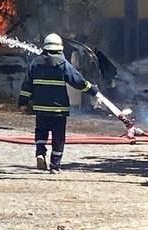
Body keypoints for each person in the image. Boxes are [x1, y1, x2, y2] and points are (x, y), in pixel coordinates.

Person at [18, 33, 97, 173]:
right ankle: (54, 166)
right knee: (58, 137)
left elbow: (26, 85)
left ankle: (40, 153)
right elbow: (77, 81)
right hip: (58, 109)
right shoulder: (63, 63)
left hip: (40, 108)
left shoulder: (35, 63)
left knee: (41, 132)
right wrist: (92, 89)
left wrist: (23, 102)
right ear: (60, 48)